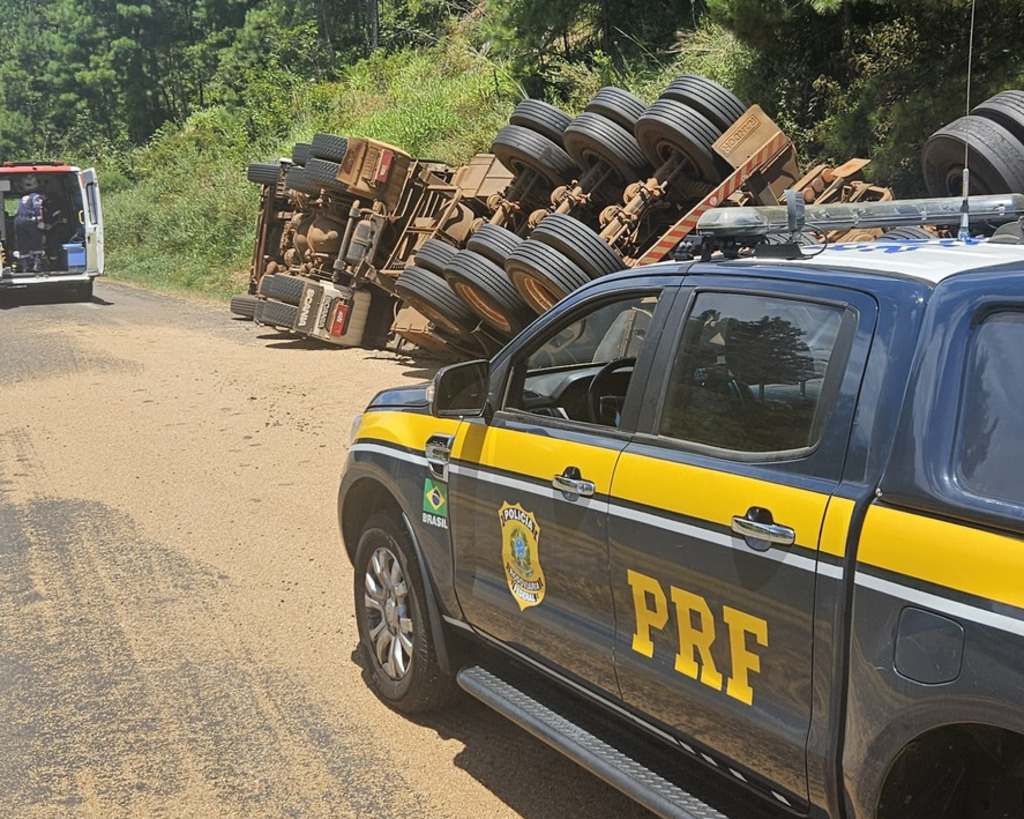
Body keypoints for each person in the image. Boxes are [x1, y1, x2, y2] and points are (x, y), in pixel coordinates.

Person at [14, 191, 48, 271]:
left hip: (19, 221)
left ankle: (25, 266)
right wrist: (39, 221)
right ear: (43, 195)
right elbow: (37, 208)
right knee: (36, 241)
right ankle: (37, 265)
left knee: (23, 242)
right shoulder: (36, 197)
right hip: (29, 221)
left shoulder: (25, 198)